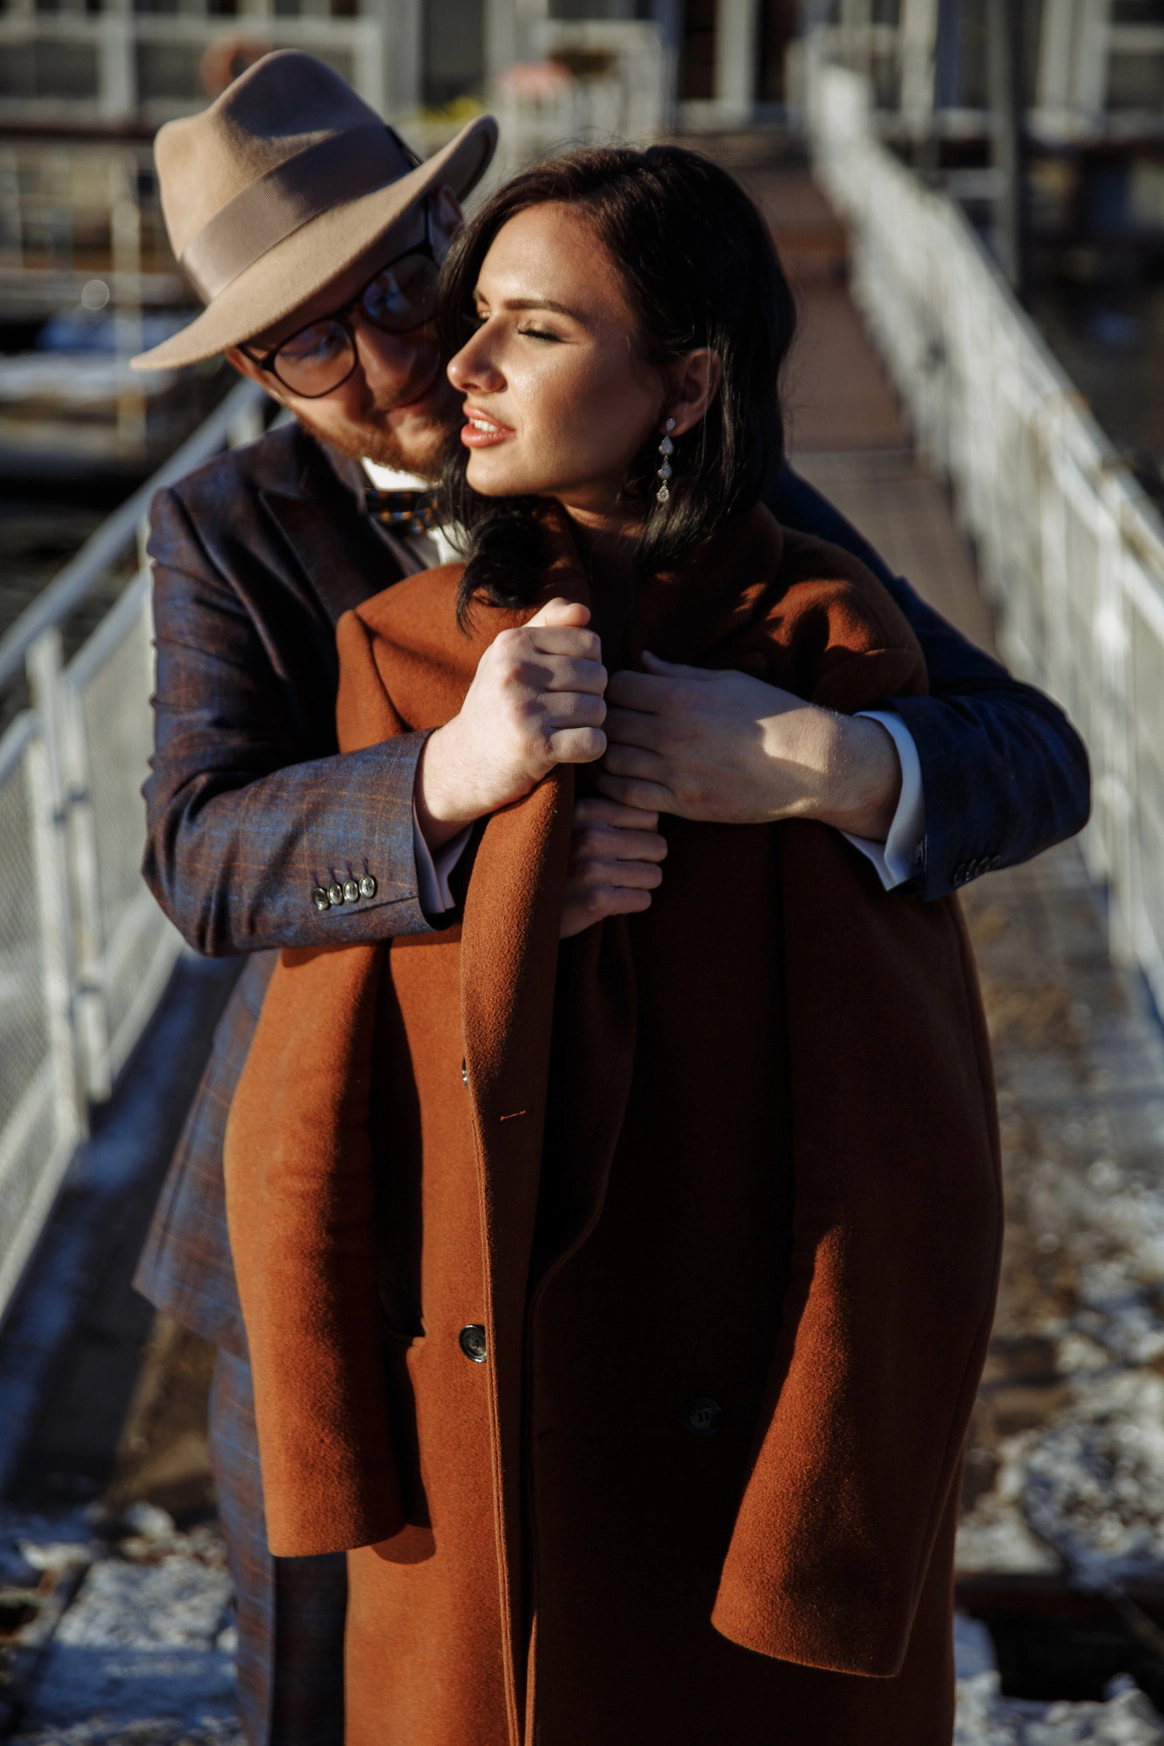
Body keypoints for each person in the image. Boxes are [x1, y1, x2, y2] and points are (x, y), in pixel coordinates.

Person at [128, 49, 1086, 1746]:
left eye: (402, 284)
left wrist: (814, 760)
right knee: (342, 1689)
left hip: (638, 1211)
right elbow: (202, 855)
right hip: (354, 1208)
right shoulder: (230, 527)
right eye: (309, 341)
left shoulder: (663, 451)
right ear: (255, 373)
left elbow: (1030, 753)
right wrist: (455, 800)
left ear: (450, 240)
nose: (396, 358)